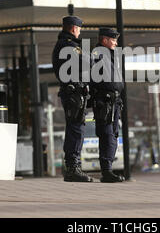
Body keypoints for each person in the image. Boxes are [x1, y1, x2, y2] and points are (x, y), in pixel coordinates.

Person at [52, 16, 93, 182]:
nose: (80, 31)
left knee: (76, 128)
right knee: (76, 129)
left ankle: (73, 167)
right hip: (73, 92)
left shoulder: (66, 45)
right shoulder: (68, 46)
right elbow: (87, 62)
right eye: (79, 29)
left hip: (74, 91)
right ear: (74, 29)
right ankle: (72, 168)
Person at [90, 27, 125, 183]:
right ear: (104, 40)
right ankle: (107, 171)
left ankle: (108, 169)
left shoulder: (110, 56)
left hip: (114, 101)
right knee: (107, 135)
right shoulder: (98, 55)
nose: (116, 43)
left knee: (113, 134)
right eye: (113, 40)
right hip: (104, 101)